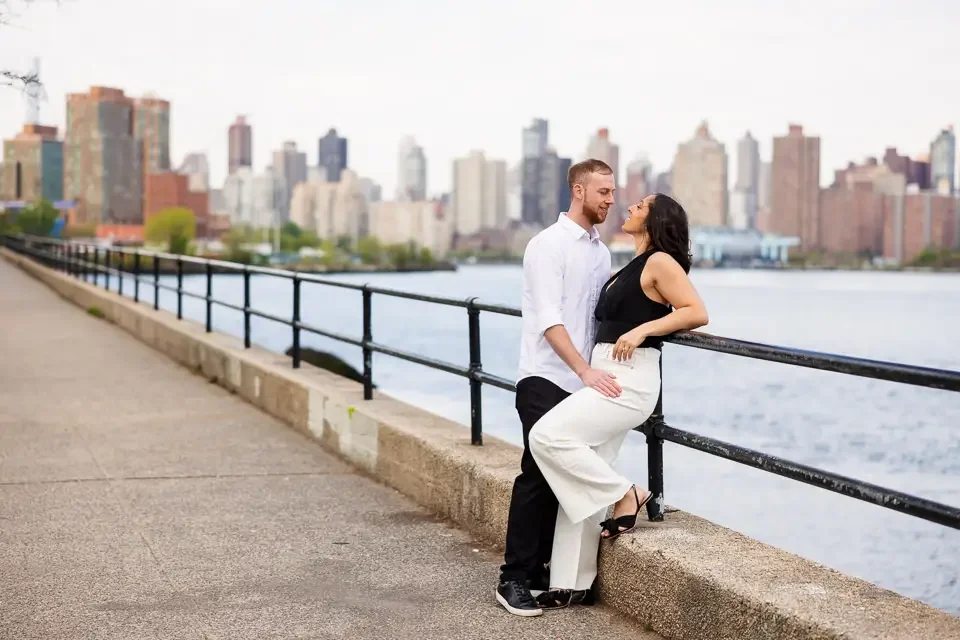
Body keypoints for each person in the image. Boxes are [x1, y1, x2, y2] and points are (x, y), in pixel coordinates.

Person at [529, 193, 709, 609]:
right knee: (585, 471)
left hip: (630, 379)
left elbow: (696, 311)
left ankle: (626, 493)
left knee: (547, 437)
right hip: (608, 372)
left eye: (641, 206)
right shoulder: (632, 264)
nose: (630, 207)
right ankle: (571, 584)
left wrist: (643, 330)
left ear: (656, 220)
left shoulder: (660, 262)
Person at [495, 159, 619, 617]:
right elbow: (550, 320)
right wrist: (584, 372)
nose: (610, 200)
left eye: (612, 192)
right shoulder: (547, 245)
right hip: (544, 376)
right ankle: (512, 578)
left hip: (582, 382)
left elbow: (598, 320)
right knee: (537, 470)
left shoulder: (601, 253)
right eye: (603, 191)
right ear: (578, 190)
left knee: (559, 472)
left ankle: (538, 569)